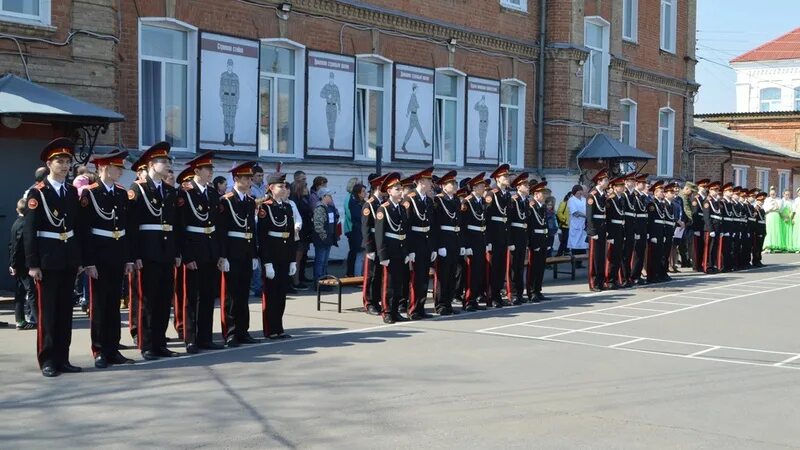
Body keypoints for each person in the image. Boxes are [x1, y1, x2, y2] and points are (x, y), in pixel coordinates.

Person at [24, 138, 83, 377]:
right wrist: (32, 264)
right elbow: (29, 231)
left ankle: (63, 357)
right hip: (47, 259)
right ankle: (48, 359)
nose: (65, 165)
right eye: (60, 161)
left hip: (68, 258)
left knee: (64, 312)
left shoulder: (71, 192)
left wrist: (79, 260)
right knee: (48, 313)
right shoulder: (37, 192)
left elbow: (77, 228)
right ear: (49, 164)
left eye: (68, 161)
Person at [78, 150, 136, 368]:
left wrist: (129, 258)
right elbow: (84, 230)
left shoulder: (121, 193)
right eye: (116, 167)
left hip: (117, 253)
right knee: (100, 305)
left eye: (121, 167)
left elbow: (127, 228)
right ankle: (100, 350)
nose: (120, 171)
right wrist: (89, 262)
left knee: (114, 305)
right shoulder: (90, 194)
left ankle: (113, 348)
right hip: (99, 255)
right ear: (103, 168)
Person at [127, 141, 181, 361]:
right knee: (147, 300)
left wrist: (177, 252)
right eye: (162, 160)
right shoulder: (137, 189)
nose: (167, 164)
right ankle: (147, 343)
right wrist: (135, 254)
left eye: (168, 160)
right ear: (150, 164)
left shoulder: (169, 190)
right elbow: (132, 226)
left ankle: (160, 341)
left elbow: (174, 225)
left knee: (163, 299)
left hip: (166, 251)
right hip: (147, 252)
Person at [177, 152, 224, 354]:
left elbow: (218, 226)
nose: (211, 172)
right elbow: (181, 225)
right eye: (208, 169)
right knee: (191, 297)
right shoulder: (185, 192)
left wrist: (220, 254)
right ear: (197, 171)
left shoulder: (213, 194)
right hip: (194, 250)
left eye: (212, 169)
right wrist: (187, 255)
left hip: (210, 249)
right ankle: (191, 338)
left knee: (207, 296)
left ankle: (205, 337)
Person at [218, 161, 260, 347]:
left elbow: (251, 229)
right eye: (246, 178)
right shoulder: (226, 200)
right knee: (231, 295)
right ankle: (231, 332)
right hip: (232, 251)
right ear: (236, 179)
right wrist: (223, 255)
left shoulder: (250, 202)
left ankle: (243, 330)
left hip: (246, 250)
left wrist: (253, 255)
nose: (250, 181)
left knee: (244, 294)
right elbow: (222, 230)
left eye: (251, 177)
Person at [257, 173, 297, 339]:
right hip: (272, 256)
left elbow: (290, 234)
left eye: (285, 186)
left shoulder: (287, 207)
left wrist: (293, 259)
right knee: (271, 294)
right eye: (281, 186)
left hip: (285, 255)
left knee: (281, 294)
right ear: (272, 188)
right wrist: (266, 262)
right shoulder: (265, 208)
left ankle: (279, 327)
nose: (284, 188)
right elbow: (263, 237)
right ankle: (270, 329)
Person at [375, 172, 410, 324]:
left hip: (400, 251)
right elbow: (380, 235)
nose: (400, 192)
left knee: (399, 283)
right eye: (397, 189)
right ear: (389, 191)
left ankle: (395, 311)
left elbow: (405, 232)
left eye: (401, 189)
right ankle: (387, 311)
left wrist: (407, 252)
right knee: (388, 285)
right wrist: (383, 256)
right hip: (390, 251)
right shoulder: (383, 209)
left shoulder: (401, 208)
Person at [405, 167, 436, 319]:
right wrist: (409, 249)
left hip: (426, 242)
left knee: (424, 277)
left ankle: (421, 307)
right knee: (415, 278)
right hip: (415, 243)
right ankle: (413, 309)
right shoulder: (409, 200)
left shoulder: (429, 200)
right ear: (421, 182)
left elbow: (432, 226)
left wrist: (433, 247)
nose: (431, 183)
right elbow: (407, 227)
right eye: (428, 180)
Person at [432, 170, 462, 315]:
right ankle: (440, 304)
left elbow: (459, 223)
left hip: (454, 240)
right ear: (444, 186)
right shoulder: (438, 200)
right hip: (444, 240)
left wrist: (460, 243)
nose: (455, 186)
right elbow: (436, 225)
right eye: (452, 183)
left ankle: (448, 303)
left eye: (455, 183)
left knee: (452, 274)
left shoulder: (456, 200)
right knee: (442, 275)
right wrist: (440, 245)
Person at [461, 174, 489, 312]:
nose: (484, 188)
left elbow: (484, 223)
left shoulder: (481, 201)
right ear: (474, 187)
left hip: (481, 238)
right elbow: (463, 225)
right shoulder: (467, 202)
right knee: (471, 273)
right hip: (472, 240)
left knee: (479, 271)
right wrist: (466, 245)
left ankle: (475, 298)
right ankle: (468, 301)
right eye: (481, 186)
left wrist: (487, 241)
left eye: (484, 186)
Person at [486, 164, 512, 307]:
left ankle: (499, 294)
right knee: (494, 267)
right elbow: (487, 218)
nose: (507, 178)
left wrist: (508, 239)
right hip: (494, 235)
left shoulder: (506, 194)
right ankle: (492, 297)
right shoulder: (492, 194)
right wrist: (488, 239)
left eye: (508, 176)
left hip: (503, 234)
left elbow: (507, 219)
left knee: (501, 267)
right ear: (497, 179)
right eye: (505, 176)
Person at [361, 173, 388, 315]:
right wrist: (369, 247)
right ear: (379, 187)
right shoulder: (369, 204)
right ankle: (369, 302)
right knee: (371, 275)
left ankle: (377, 300)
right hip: (372, 244)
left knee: (379, 274)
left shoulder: (383, 203)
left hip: (381, 244)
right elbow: (366, 228)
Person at [9, 198, 36, 330]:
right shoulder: (25, 224)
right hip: (24, 264)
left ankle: (19, 320)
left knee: (19, 294)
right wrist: (14, 264)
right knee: (31, 292)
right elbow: (19, 246)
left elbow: (11, 246)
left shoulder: (15, 224)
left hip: (17, 264)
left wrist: (12, 264)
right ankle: (35, 318)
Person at [506, 172, 530, 305]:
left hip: (522, 236)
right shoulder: (513, 200)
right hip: (515, 236)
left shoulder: (525, 201)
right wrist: (510, 241)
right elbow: (508, 222)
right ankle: (513, 293)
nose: (527, 187)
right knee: (514, 267)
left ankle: (520, 293)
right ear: (518, 187)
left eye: (527, 184)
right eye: (525, 185)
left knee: (520, 266)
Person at [586, 169, 610, 292]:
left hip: (602, 228)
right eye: (605, 180)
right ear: (599, 181)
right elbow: (589, 216)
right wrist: (592, 231)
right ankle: (593, 283)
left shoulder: (603, 195)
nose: (608, 182)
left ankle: (601, 282)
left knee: (601, 256)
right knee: (594, 257)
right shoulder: (592, 195)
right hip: (595, 229)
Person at [527, 181, 551, 302]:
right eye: (542, 193)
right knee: (534, 268)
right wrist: (533, 243)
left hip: (543, 239)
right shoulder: (532, 206)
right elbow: (530, 227)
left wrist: (547, 243)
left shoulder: (542, 207)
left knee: (541, 267)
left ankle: (538, 290)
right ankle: (531, 292)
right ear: (536, 194)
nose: (545, 195)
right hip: (535, 240)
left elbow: (544, 225)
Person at [312, 188, 338, 285]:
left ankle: (323, 280)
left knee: (325, 262)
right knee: (320, 261)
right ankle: (318, 282)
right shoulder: (320, 208)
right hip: (322, 240)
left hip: (328, 239)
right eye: (329, 196)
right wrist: (324, 237)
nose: (331, 198)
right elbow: (318, 226)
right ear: (323, 197)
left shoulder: (329, 207)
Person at [290, 180, 312, 289]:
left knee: (301, 257)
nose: (306, 190)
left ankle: (298, 278)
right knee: (296, 258)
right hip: (299, 232)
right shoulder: (295, 201)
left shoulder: (304, 199)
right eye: (304, 187)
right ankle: (295, 281)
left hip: (305, 231)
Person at [604, 176, 626, 289]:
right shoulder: (610, 200)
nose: (622, 188)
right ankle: (610, 279)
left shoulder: (621, 199)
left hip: (620, 229)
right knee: (612, 256)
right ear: (614, 187)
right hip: (613, 229)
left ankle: (615, 279)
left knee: (618, 256)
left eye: (622, 186)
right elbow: (607, 218)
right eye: (620, 186)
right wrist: (609, 234)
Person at [629, 174, 650, 285]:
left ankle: (638, 274)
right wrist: (636, 231)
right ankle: (633, 275)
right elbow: (635, 215)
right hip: (637, 227)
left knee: (641, 252)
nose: (645, 184)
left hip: (643, 227)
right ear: (637, 184)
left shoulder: (642, 196)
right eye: (643, 183)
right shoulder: (634, 195)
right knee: (636, 253)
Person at [250, 165, 266, 296]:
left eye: (262, 175)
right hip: (253, 222)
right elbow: (253, 203)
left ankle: (261, 283)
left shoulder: (264, 187)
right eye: (258, 175)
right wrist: (265, 199)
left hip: (263, 222)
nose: (261, 178)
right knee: (255, 256)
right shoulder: (250, 188)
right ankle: (257, 286)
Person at [345, 183, 366, 277]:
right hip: (357, 231)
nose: (365, 193)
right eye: (363, 191)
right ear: (358, 193)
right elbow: (357, 216)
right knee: (358, 254)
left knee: (361, 255)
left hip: (361, 231)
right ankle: (357, 276)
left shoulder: (362, 202)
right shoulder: (354, 202)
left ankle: (359, 274)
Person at [702, 181, 722, 274]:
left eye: (717, 190)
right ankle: (707, 267)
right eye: (714, 190)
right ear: (710, 190)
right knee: (708, 249)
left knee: (714, 248)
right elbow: (706, 217)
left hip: (717, 227)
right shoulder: (707, 201)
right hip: (711, 228)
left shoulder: (716, 202)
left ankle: (713, 265)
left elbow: (719, 216)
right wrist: (710, 229)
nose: (716, 191)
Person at [691, 179, 710, 272]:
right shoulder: (696, 198)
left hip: (704, 225)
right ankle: (696, 265)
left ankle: (701, 264)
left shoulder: (705, 198)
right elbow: (694, 214)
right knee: (697, 247)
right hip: (698, 226)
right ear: (698, 187)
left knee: (703, 246)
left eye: (706, 187)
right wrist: (695, 228)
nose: (705, 188)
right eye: (703, 186)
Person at [567, 185, 588, 262]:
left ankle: (580, 262)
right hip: (576, 224)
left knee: (583, 243)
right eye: (580, 190)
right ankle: (575, 262)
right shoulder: (571, 200)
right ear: (576, 191)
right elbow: (575, 213)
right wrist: (586, 216)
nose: (581, 192)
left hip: (583, 224)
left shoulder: (584, 199)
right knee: (575, 244)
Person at [762, 187, 782, 253]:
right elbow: (765, 208)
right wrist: (771, 207)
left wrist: (775, 204)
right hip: (770, 215)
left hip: (776, 215)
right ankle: (768, 245)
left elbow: (779, 208)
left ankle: (776, 246)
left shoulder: (779, 200)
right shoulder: (767, 200)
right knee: (769, 230)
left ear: (776, 193)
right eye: (771, 194)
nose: (773, 195)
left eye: (774, 194)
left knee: (776, 230)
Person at [753, 191, 767, 266]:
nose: (762, 202)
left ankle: (759, 259)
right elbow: (755, 221)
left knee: (760, 246)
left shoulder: (762, 209)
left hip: (762, 229)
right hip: (757, 229)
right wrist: (756, 231)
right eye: (760, 201)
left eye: (763, 201)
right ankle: (755, 260)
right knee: (756, 246)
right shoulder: (756, 209)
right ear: (757, 200)